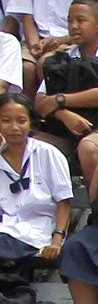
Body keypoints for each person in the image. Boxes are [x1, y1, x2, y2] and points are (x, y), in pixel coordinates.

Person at [31, 0, 98, 177]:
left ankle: (97, 203)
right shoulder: (61, 58)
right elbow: (40, 103)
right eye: (70, 21)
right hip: (65, 132)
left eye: (81, 20)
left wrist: (60, 100)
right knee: (29, 145)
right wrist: (63, 114)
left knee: (88, 147)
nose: (73, 26)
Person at [0, 88, 72, 279]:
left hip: (37, 231)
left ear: (31, 122)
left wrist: (57, 241)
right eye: (6, 120)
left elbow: (63, 201)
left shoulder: (48, 153)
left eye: (21, 120)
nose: (14, 127)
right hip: (5, 230)